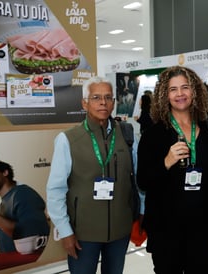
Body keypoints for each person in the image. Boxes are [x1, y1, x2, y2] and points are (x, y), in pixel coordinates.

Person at [137, 66, 208, 274]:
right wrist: (166, 161)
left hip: (204, 228)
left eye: (185, 87)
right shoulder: (153, 135)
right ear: (165, 95)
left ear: (195, 91)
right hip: (166, 230)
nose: (180, 94)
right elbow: (143, 181)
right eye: (173, 89)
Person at [46, 76, 137, 274]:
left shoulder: (128, 135)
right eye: (96, 97)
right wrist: (65, 231)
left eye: (108, 97)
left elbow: (136, 180)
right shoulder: (68, 139)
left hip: (120, 230)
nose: (103, 102)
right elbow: (55, 189)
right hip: (82, 234)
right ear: (84, 103)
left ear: (114, 102)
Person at [0, 160, 50, 253]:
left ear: (5, 172)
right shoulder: (3, 203)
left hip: (28, 263)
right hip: (13, 263)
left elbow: (30, 236)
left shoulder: (23, 193)